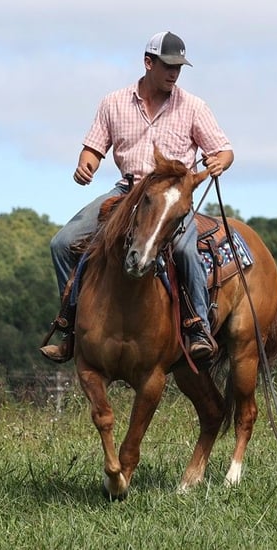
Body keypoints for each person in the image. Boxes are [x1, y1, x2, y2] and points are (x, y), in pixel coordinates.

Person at [40, 31, 234, 363]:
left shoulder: (193, 107)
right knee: (62, 243)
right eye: (168, 66)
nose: (174, 73)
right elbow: (93, 150)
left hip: (170, 198)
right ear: (148, 63)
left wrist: (219, 161)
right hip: (127, 192)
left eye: (179, 68)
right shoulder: (113, 102)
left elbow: (224, 150)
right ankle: (70, 325)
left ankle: (198, 327)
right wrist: (84, 166)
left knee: (186, 249)